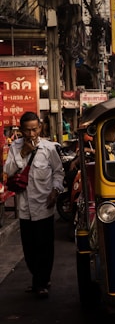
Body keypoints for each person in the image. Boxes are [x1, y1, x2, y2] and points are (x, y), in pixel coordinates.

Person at [4, 111, 64, 299]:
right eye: (27, 130)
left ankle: (42, 281)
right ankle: (38, 279)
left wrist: (55, 190)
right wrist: (23, 154)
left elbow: (58, 172)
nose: (31, 134)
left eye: (34, 129)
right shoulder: (15, 147)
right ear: (21, 130)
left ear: (40, 127)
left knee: (45, 247)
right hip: (24, 207)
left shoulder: (49, 148)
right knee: (29, 248)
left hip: (44, 205)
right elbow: (8, 171)